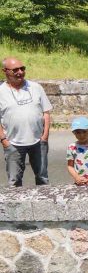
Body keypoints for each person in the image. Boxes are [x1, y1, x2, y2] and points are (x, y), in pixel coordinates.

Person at [0, 57, 52, 186]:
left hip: (38, 142)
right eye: (15, 70)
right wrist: (3, 140)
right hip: (13, 143)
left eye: (22, 68)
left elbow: (46, 112)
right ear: (5, 71)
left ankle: (44, 205)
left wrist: (45, 136)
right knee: (14, 181)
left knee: (43, 179)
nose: (20, 72)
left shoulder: (35, 87)